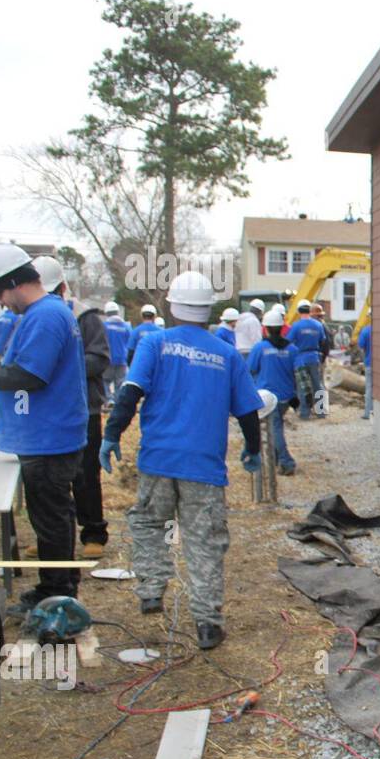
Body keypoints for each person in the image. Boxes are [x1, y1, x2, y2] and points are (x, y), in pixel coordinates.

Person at [100, 271, 264, 650]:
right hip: (204, 468)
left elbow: (130, 392)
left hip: (158, 459)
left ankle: (152, 590)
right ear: (209, 310)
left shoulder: (155, 344)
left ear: (172, 306)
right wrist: (252, 449)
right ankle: (207, 624)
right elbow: (248, 412)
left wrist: (112, 434)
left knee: (147, 522)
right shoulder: (225, 353)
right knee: (203, 541)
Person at [0, 245, 88, 615]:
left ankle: (56, 594)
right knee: (51, 518)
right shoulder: (48, 313)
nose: (2, 304)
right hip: (46, 435)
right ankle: (56, 587)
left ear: (10, 284)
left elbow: (30, 375)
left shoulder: (45, 316)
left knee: (51, 520)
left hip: (50, 438)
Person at [35, 256, 110, 560]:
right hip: (48, 411)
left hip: (83, 409)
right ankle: (53, 537)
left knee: (84, 473)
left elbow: (100, 358)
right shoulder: (32, 316)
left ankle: (93, 532)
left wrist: (64, 366)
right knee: (50, 477)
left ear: (64, 288)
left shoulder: (85, 317)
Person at [247, 307, 299, 475]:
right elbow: (297, 372)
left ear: (265, 328)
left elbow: (250, 369)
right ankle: (276, 459)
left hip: (268, 396)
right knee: (276, 427)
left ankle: (286, 461)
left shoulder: (260, 348)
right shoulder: (292, 349)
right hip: (286, 396)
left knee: (275, 429)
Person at [288, 300, 326, 420]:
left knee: (302, 386)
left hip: (300, 359)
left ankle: (305, 413)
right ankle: (321, 411)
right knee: (318, 385)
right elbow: (322, 340)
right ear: (309, 310)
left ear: (299, 311)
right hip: (314, 357)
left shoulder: (296, 326)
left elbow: (289, 341)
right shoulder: (318, 325)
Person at [101, 302, 132, 406]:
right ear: (118, 312)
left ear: (106, 313)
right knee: (120, 382)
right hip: (122, 359)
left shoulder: (104, 326)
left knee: (105, 380)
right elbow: (130, 342)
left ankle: (108, 399)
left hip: (108, 358)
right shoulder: (126, 327)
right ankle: (118, 401)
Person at [358, 312, 372, 420]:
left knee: (369, 388)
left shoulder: (366, 331)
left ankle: (368, 413)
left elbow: (361, 348)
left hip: (369, 364)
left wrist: (364, 360)